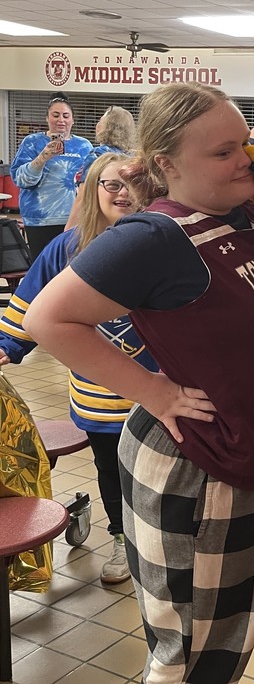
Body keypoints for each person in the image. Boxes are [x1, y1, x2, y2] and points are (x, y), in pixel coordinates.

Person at [22, 82, 254, 684]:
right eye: (224, 151)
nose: (247, 159)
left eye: (243, 144)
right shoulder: (158, 236)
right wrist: (154, 392)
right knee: (190, 655)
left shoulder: (236, 208)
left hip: (250, 454)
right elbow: (47, 318)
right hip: (201, 466)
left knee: (227, 641)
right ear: (165, 164)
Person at [0, 153, 154, 585]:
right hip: (98, 393)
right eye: (112, 184)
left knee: (160, 472)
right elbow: (27, 307)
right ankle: (124, 541)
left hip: (159, 389)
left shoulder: (165, 243)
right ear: (92, 190)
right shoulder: (66, 248)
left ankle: (162, 544)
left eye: (132, 183)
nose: (123, 193)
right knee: (111, 471)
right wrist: (9, 345)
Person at [10, 92, 92, 259]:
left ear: (72, 120)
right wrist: (43, 157)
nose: (61, 120)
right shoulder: (32, 142)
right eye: (55, 115)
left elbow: (90, 182)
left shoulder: (84, 146)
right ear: (47, 118)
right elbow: (20, 179)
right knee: (43, 271)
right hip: (40, 221)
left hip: (76, 219)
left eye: (65, 115)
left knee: (71, 271)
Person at [65, 106, 138, 229]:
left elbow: (83, 196)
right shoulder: (135, 158)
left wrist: (68, 229)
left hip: (100, 223)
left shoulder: (97, 155)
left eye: (100, 121)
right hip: (128, 224)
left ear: (104, 127)